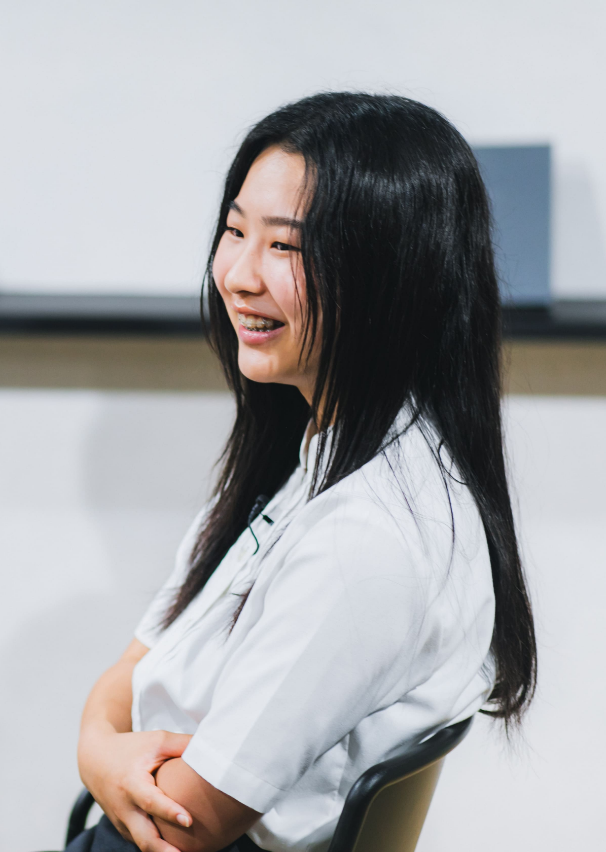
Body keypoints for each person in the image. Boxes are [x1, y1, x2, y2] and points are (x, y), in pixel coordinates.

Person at [71, 92, 536, 852]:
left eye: (286, 247)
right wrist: (101, 749)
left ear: (394, 276)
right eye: (234, 231)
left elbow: (182, 826)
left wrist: (102, 757)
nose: (239, 275)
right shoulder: (313, 452)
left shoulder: (366, 538)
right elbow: (138, 659)